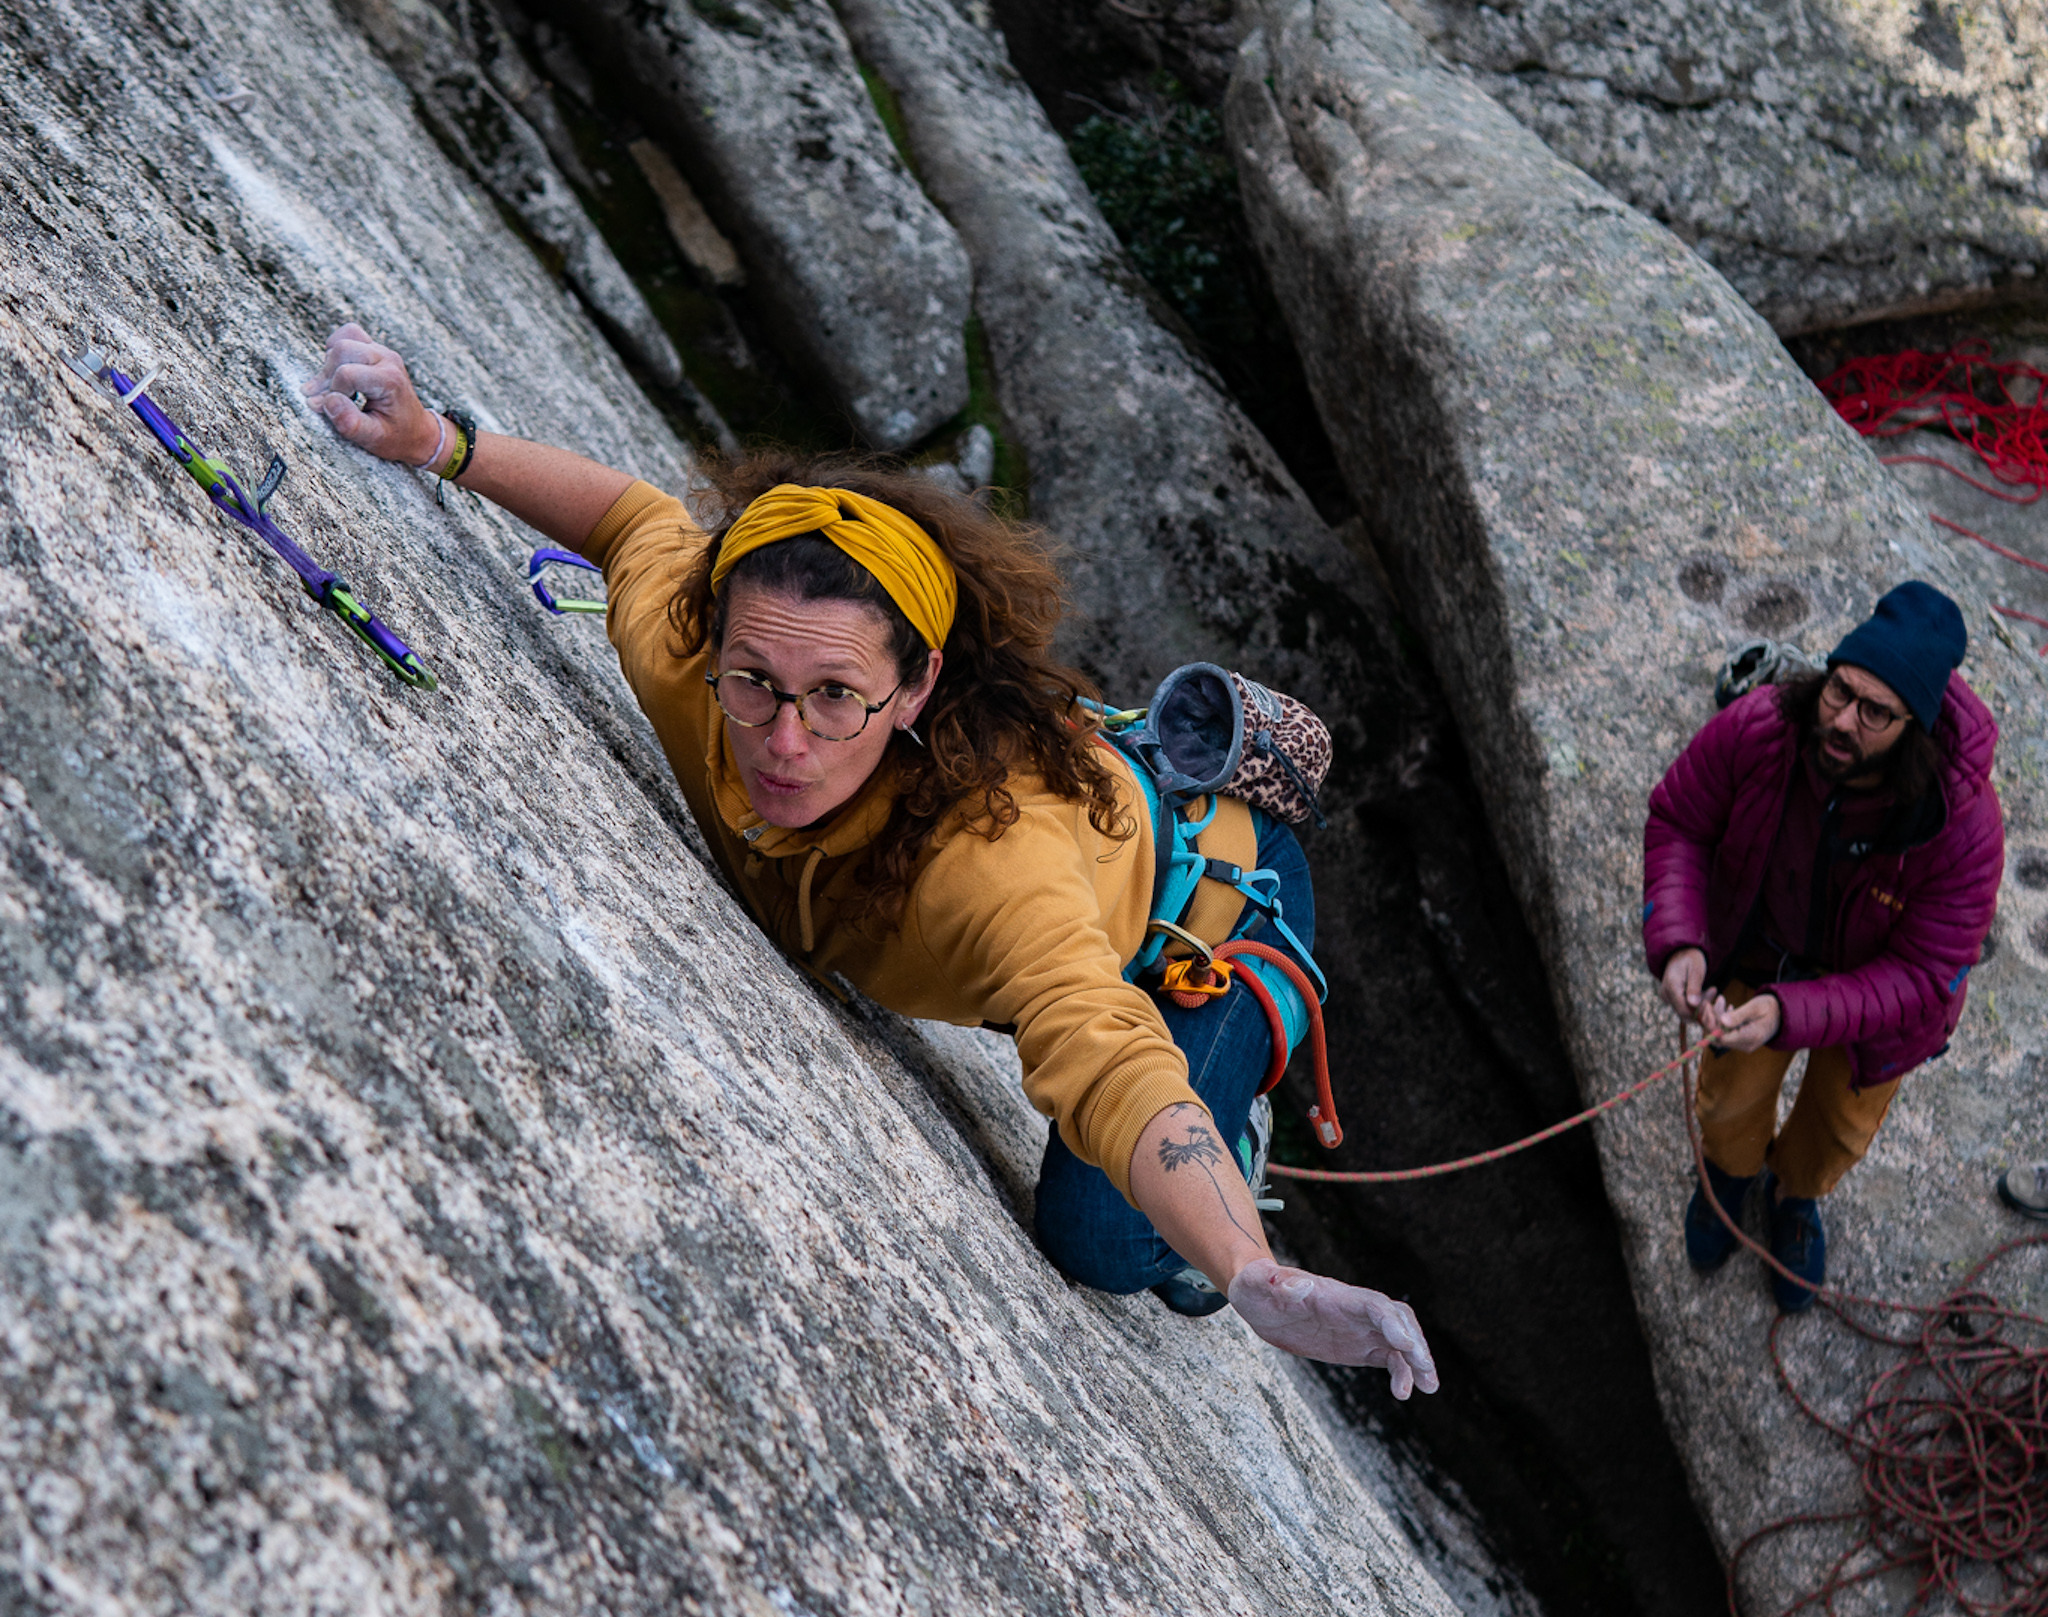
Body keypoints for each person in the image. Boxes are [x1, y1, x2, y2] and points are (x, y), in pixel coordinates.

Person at [302, 325, 1438, 1395]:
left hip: (1211, 904)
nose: (785, 742)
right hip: (1102, 861)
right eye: (756, 683)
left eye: (838, 696)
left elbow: (1106, 1059)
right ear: (716, 635)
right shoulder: (694, 666)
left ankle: (1233, 1127)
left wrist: (1250, 1270)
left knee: (1098, 1241)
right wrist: (433, 440)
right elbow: (634, 523)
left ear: (918, 687)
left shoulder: (985, 857)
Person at [1643, 583, 2004, 1311]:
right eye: (1841, 690)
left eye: (1875, 712)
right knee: (1728, 1101)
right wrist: (1680, 940)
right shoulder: (1760, 728)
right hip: (1759, 955)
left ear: (1915, 727)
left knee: (1838, 1128)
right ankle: (1730, 1178)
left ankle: (1794, 1196)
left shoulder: (1962, 828)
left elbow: (1924, 973)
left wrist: (1790, 1013)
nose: (1842, 720)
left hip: (1879, 1009)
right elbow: (1680, 821)